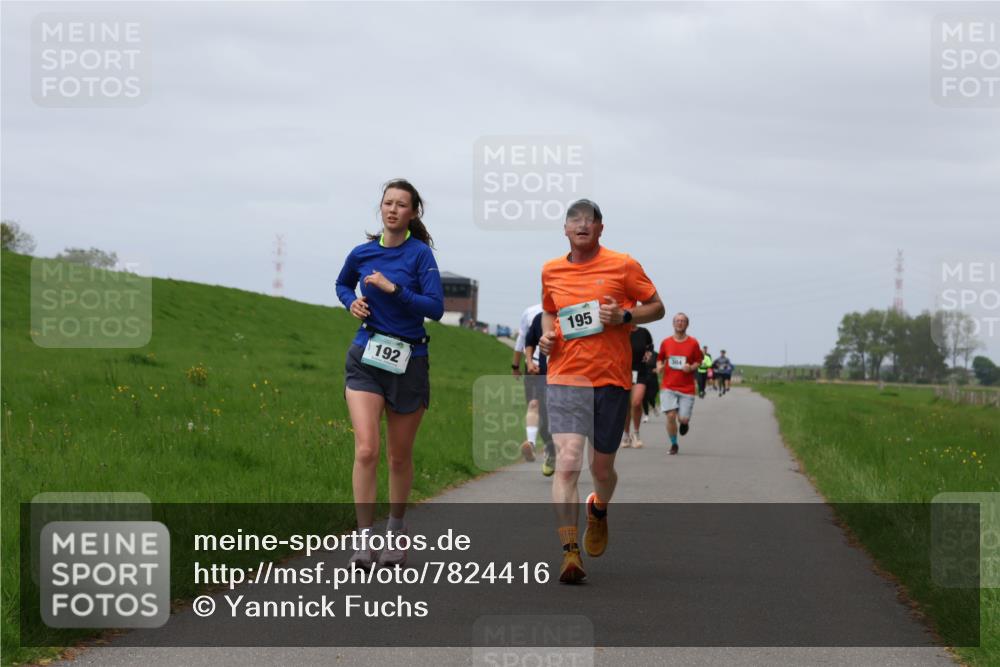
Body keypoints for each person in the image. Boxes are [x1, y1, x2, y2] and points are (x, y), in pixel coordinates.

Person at [538, 199, 665, 584]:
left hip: (610, 380)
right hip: (564, 378)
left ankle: (599, 507)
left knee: (602, 469)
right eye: (574, 221)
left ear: (600, 228)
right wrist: (546, 336)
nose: (581, 226)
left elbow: (657, 307)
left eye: (589, 221)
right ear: (564, 229)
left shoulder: (623, 265)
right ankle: (569, 551)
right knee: (568, 461)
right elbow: (550, 310)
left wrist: (625, 315)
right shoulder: (550, 270)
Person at [335, 179, 444, 569]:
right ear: (380, 209)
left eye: (401, 205)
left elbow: (435, 307)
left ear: (413, 213)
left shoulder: (420, 256)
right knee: (366, 449)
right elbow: (342, 283)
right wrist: (352, 303)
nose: (393, 209)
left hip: (408, 360)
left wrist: (393, 289)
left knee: (399, 458)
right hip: (366, 354)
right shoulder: (362, 253)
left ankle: (396, 531)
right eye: (387, 203)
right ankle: (363, 540)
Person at [656, 313, 703, 455]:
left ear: (687, 324)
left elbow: (698, 361)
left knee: (682, 418)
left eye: (683, 321)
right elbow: (660, 359)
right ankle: (674, 444)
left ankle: (684, 423)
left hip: (687, 388)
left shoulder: (693, 343)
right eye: (677, 321)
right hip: (668, 386)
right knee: (670, 416)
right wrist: (659, 367)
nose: (680, 323)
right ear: (673, 324)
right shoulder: (666, 342)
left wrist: (691, 368)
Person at [512, 303, 547, 464]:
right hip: (535, 366)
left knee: (551, 412)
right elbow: (524, 340)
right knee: (534, 404)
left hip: (560, 369)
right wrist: (518, 365)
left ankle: (550, 448)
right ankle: (531, 443)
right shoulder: (532, 313)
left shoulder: (569, 312)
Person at [523, 310, 556, 476]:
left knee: (557, 417)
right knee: (536, 406)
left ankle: (558, 452)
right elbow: (529, 342)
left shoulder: (575, 315)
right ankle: (533, 443)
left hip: (569, 377)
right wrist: (529, 363)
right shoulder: (540, 318)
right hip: (543, 375)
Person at [621, 325, 655, 448]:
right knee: (625, 406)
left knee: (636, 402)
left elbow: (650, 345)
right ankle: (626, 434)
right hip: (621, 372)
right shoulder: (619, 330)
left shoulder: (643, 332)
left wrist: (649, 353)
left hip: (639, 371)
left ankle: (636, 433)